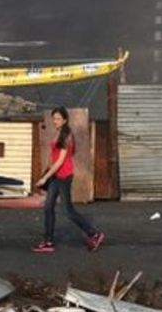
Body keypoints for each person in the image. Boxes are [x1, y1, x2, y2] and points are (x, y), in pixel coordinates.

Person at [32, 107, 107, 254]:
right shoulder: (58, 133)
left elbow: (60, 161)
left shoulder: (67, 136)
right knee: (48, 207)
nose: (55, 121)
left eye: (58, 119)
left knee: (68, 211)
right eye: (54, 118)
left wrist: (44, 178)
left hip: (64, 176)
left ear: (65, 120)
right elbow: (53, 157)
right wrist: (47, 172)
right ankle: (48, 241)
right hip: (55, 176)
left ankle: (94, 234)